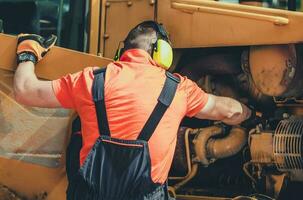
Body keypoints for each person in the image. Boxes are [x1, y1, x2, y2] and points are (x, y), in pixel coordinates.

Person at [14, 21, 251, 200]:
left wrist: (27, 53)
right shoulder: (178, 89)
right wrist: (248, 111)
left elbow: (25, 90)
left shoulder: (90, 80)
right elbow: (228, 111)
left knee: (77, 135)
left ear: (121, 52)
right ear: (163, 53)